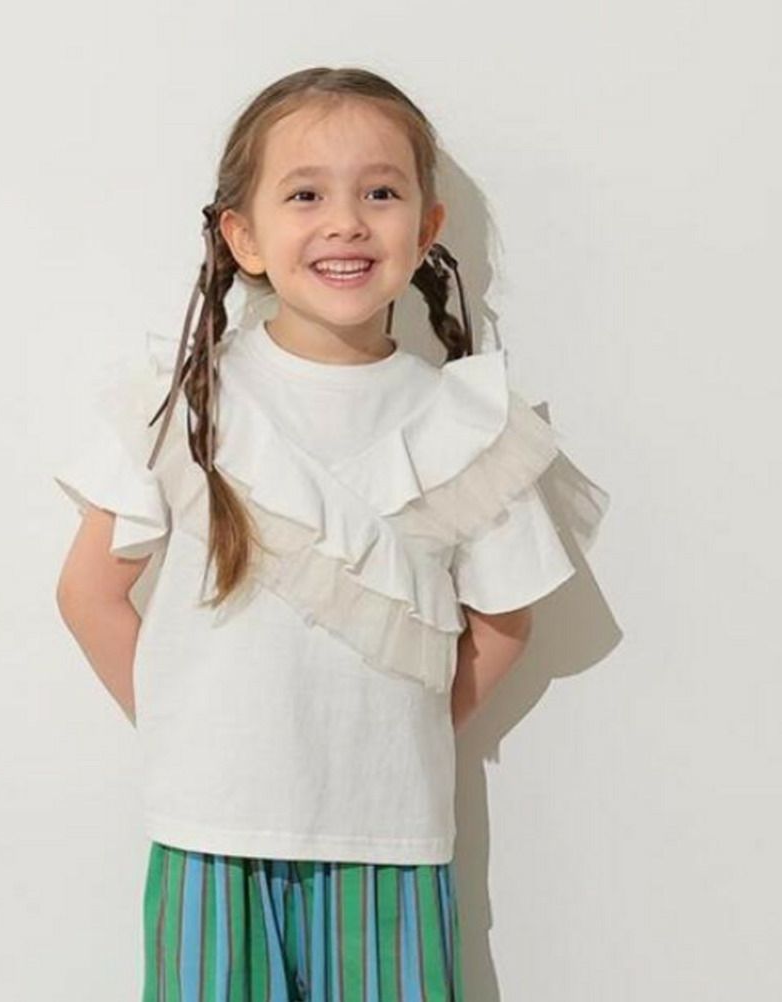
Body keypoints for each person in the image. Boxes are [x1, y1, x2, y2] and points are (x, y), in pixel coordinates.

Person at [53, 66, 608, 1002]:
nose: (346, 222)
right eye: (306, 195)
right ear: (243, 236)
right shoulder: (188, 404)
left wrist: (392, 741)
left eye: (380, 193)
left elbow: (505, 622)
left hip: (390, 840)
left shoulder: (467, 425)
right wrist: (193, 732)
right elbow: (88, 593)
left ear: (426, 229)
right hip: (209, 836)